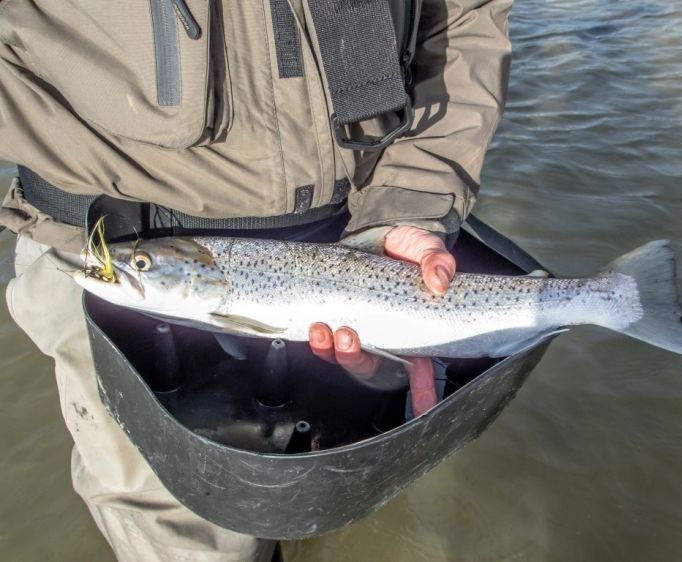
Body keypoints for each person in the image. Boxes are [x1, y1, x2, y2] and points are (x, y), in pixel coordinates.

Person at [0, 0, 512, 560]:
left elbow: (466, 14)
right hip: (99, 234)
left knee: (336, 489)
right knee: (189, 537)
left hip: (368, 229)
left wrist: (414, 198)